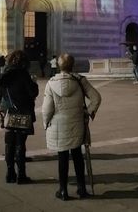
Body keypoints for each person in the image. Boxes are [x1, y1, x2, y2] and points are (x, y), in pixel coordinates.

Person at [43, 53, 102, 200]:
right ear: (72, 65)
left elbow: (47, 109)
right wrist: (87, 112)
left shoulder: (50, 83)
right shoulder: (80, 81)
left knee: (62, 157)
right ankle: (82, 189)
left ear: (58, 66)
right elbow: (96, 98)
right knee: (77, 156)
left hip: (58, 124)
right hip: (77, 123)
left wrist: (46, 123)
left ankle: (63, 190)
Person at [0, 49, 38, 184]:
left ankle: (10, 173)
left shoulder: (4, 75)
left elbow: (1, 93)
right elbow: (32, 92)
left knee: (9, 144)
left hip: (9, 112)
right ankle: (21, 175)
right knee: (20, 144)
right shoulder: (22, 74)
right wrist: (34, 83)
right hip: (22, 112)